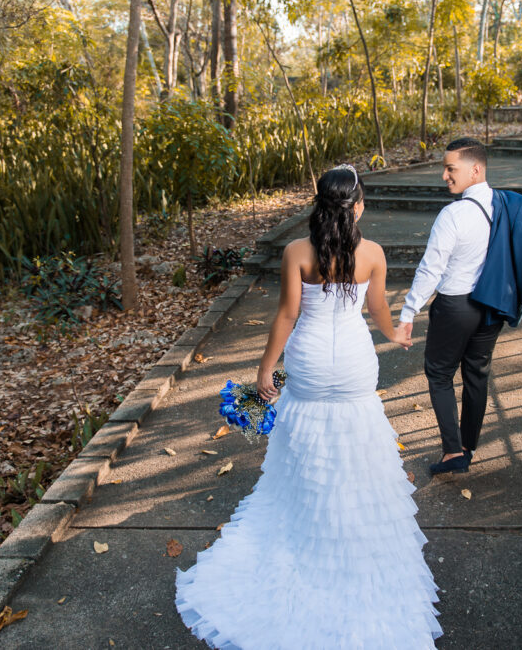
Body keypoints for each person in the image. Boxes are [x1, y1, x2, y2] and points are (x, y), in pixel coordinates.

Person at [175, 165, 443, 649]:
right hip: (357, 364)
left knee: (308, 443)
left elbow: (287, 314)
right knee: (359, 441)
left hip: (311, 361)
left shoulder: (297, 251)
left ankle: (309, 524)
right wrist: (395, 334)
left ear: (318, 202)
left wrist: (265, 368)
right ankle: (356, 532)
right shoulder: (373, 253)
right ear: (358, 204)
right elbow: (378, 310)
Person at [395, 137, 522, 477]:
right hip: (493, 305)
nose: (444, 175)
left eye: (451, 169)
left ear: (475, 169)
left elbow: (431, 268)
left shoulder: (454, 214)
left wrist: (407, 315)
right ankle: (469, 445)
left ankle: (452, 452)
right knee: (477, 374)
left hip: (456, 307)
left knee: (440, 374)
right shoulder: (508, 204)